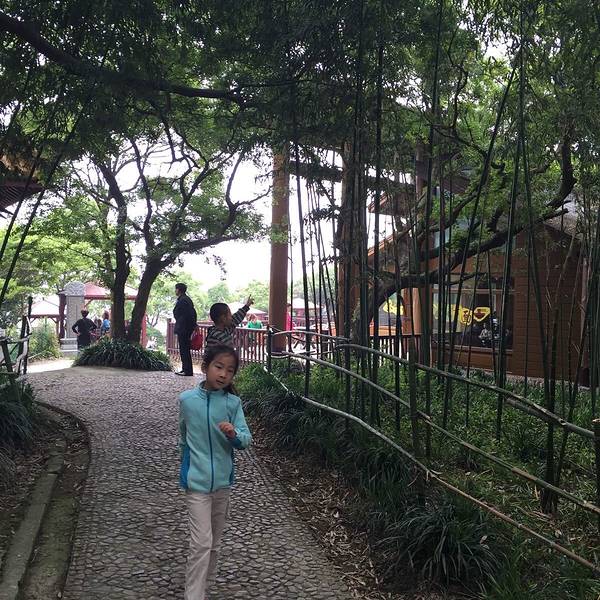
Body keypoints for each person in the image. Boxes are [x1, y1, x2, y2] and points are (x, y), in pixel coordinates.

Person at [178, 345, 252, 600]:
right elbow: (183, 438)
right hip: (196, 485)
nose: (223, 374)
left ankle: (205, 586)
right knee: (201, 543)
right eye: (218, 367)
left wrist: (233, 433)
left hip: (222, 485)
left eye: (229, 370)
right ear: (206, 366)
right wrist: (185, 467)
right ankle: (194, 595)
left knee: (214, 543)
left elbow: (245, 439)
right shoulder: (187, 401)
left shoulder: (233, 403)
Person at [174, 283, 198, 377]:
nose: (175, 291)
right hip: (186, 327)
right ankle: (186, 369)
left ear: (179, 290)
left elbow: (186, 314)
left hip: (184, 327)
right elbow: (193, 313)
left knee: (184, 349)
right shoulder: (186, 299)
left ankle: (187, 370)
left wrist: (191, 324)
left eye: (176, 289)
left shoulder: (183, 300)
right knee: (184, 349)